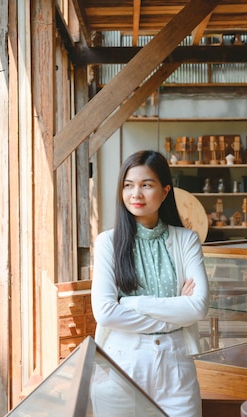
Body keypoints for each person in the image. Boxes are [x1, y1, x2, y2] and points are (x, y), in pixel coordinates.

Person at [91, 150, 209, 417]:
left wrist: (133, 303)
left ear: (165, 191)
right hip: (121, 363)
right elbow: (106, 312)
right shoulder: (108, 243)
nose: (136, 194)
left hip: (176, 364)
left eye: (146, 185)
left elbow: (198, 307)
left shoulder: (186, 240)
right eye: (128, 185)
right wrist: (176, 314)